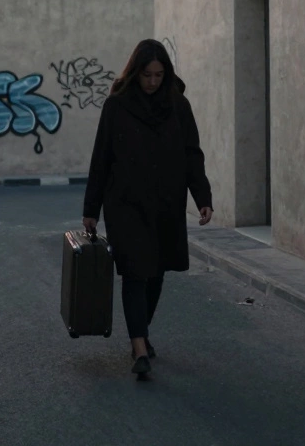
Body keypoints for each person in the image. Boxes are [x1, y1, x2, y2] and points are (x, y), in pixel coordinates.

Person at [82, 38, 214, 377]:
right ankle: (139, 348)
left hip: (166, 202)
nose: (153, 82)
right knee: (135, 271)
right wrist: (91, 209)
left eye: (158, 75)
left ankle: (141, 332)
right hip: (125, 203)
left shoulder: (178, 106)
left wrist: (203, 197)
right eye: (146, 75)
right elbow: (102, 158)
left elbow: (191, 154)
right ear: (135, 73)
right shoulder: (116, 106)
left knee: (156, 272)